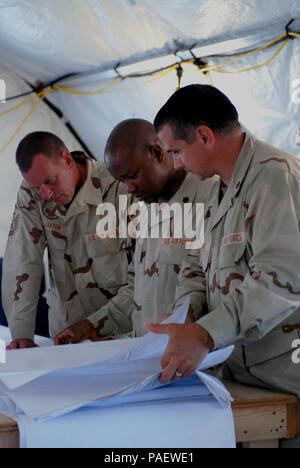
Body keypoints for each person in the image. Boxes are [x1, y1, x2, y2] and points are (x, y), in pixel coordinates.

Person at [146, 84, 300, 407]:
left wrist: (205, 334)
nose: (175, 164)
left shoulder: (274, 177)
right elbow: (195, 266)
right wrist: (186, 316)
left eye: (176, 151)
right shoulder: (217, 189)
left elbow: (280, 279)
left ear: (204, 136)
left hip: (284, 382)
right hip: (239, 376)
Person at [54, 119, 218, 344]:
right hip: (147, 357)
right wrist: (91, 325)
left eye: (132, 176)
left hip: (192, 361)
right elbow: (135, 291)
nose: (129, 188)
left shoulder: (211, 199)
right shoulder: (148, 210)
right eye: (122, 181)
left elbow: (218, 296)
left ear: (158, 153)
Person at [2, 132, 133, 349]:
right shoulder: (32, 194)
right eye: (36, 187)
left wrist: (98, 324)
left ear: (67, 160)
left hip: (120, 335)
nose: (45, 194)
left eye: (50, 181)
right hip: (66, 337)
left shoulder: (119, 186)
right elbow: (22, 259)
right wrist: (22, 333)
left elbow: (146, 272)